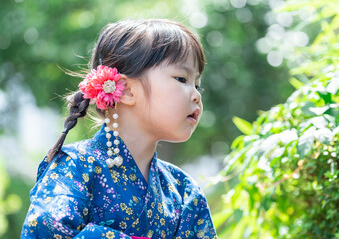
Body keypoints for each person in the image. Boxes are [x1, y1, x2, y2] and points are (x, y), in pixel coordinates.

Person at [21, 19, 217, 239]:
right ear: (126, 91)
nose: (196, 95)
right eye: (181, 78)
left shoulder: (184, 191)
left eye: (197, 84)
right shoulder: (74, 166)